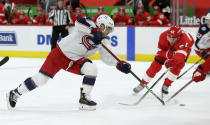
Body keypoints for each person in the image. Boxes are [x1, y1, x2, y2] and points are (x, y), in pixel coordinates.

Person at [6, 15, 131, 111]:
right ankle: (15, 93)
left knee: (92, 69)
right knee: (41, 80)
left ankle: (84, 99)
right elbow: (79, 22)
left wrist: (119, 64)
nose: (108, 32)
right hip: (59, 54)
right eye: (107, 28)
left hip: (74, 60)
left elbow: (108, 57)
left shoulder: (104, 41)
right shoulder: (90, 23)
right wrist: (94, 32)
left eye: (110, 30)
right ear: (101, 24)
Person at [133, 26, 194, 97]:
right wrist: (167, 54)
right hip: (168, 50)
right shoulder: (163, 36)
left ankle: (166, 85)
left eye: (173, 39)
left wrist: (173, 61)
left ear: (178, 37)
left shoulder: (184, 39)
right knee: (155, 65)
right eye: (169, 37)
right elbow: (160, 52)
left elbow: (180, 55)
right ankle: (142, 84)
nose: (171, 40)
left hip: (184, 48)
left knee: (178, 66)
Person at [192, 13, 210, 83]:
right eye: (207, 20)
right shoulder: (203, 29)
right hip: (200, 49)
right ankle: (201, 69)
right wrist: (202, 51)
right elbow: (197, 43)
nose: (208, 22)